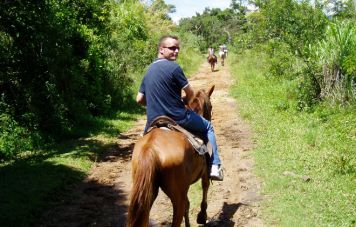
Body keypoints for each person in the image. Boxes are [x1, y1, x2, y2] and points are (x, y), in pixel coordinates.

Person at [136, 35, 223, 181]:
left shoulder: (149, 70)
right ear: (161, 49)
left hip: (152, 120)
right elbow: (190, 93)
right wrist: (186, 102)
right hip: (177, 117)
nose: (176, 51)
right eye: (172, 48)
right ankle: (215, 166)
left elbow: (139, 99)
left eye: (177, 48)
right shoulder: (174, 67)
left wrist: (156, 103)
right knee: (208, 127)